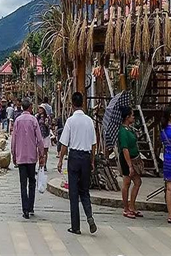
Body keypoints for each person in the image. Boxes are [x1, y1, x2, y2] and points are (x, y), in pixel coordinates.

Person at [57, 92, 97, 235]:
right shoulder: (89, 121)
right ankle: (89, 216)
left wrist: (60, 160)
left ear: (72, 104)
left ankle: (76, 226)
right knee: (85, 191)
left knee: (74, 193)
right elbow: (94, 144)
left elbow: (64, 144)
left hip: (74, 157)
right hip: (86, 157)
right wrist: (92, 160)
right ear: (83, 103)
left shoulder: (70, 121)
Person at [11, 98, 44, 219]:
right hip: (31, 157)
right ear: (30, 107)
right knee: (32, 182)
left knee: (23, 183)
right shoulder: (33, 120)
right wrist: (41, 154)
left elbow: (14, 139)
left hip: (20, 156)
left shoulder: (17, 120)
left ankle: (25, 209)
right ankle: (31, 207)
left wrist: (13, 154)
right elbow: (39, 139)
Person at [118, 106, 143, 219]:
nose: (134, 117)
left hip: (134, 158)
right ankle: (126, 208)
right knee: (127, 182)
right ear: (127, 117)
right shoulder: (123, 131)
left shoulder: (130, 129)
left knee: (137, 182)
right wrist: (130, 166)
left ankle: (132, 205)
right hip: (126, 160)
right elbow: (125, 149)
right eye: (132, 115)